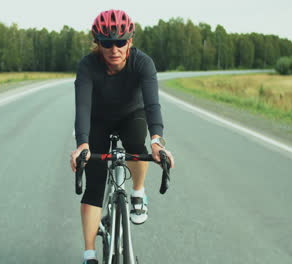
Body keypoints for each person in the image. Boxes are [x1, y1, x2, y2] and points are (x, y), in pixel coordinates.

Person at [70, 9, 175, 264]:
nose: (114, 49)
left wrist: (158, 142)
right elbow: (83, 106)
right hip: (98, 119)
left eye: (121, 41)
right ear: (97, 43)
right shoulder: (87, 66)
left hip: (132, 114)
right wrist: (82, 144)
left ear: (130, 40)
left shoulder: (142, 63)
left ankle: (138, 192)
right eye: (107, 43)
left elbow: (152, 105)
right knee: (94, 186)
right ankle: (89, 254)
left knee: (138, 146)